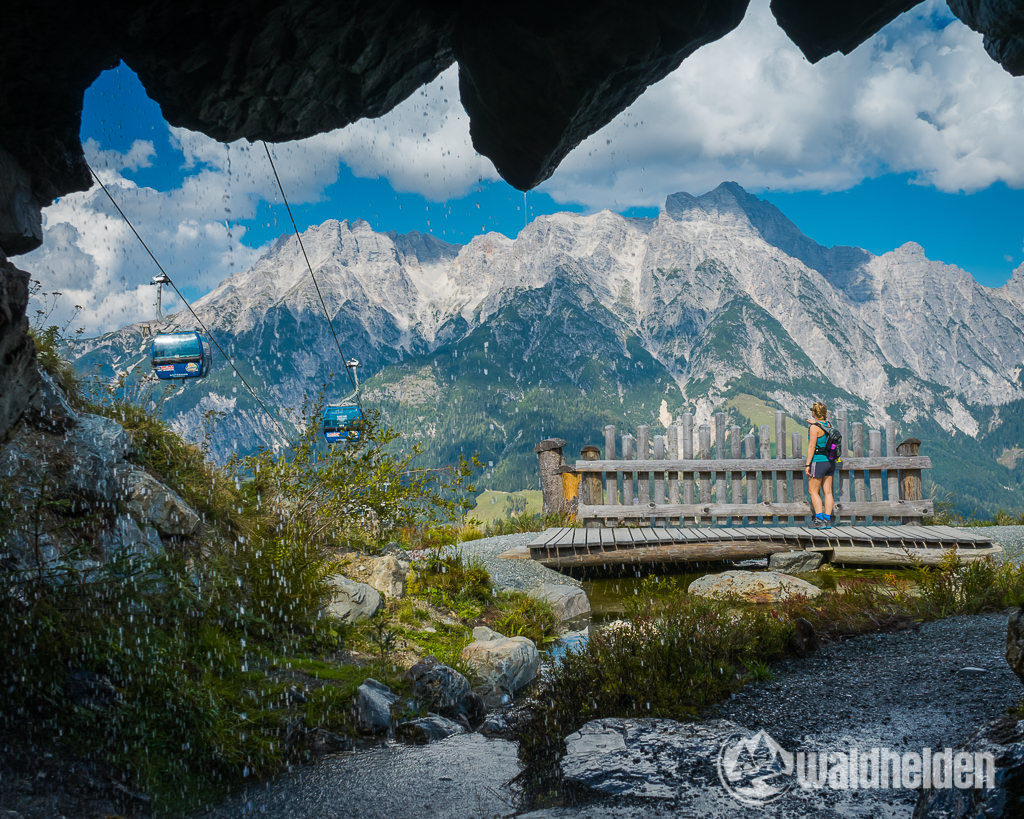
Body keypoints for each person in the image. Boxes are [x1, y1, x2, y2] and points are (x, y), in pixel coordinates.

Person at [804, 401, 835, 529]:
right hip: (830, 461)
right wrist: (814, 422)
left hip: (818, 461)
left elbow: (812, 446)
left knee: (813, 491)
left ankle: (819, 519)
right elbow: (821, 427)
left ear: (814, 413)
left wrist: (807, 465)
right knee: (827, 491)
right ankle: (827, 520)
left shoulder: (814, 428)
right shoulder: (828, 425)